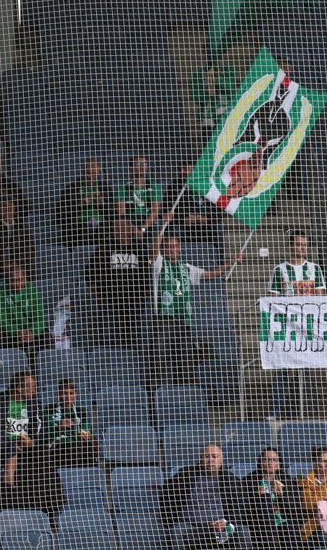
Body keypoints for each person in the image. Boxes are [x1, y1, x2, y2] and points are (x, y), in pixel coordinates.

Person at [152, 235, 242, 387]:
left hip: (184, 322)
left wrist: (231, 261)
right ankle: (155, 400)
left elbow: (211, 274)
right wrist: (162, 227)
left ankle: (183, 398)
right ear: (163, 249)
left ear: (179, 248)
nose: (171, 250)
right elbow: (154, 249)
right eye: (168, 247)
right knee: (158, 363)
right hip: (163, 321)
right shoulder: (159, 264)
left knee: (184, 364)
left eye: (174, 246)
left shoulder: (187, 268)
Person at [0, 370, 62, 515]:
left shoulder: (34, 402)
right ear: (19, 388)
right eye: (31, 387)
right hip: (3, 448)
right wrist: (9, 444)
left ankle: (50, 506)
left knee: (44, 453)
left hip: (27, 446)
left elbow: (40, 426)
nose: (34, 391)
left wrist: (32, 442)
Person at [267, 229, 326, 421]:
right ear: (290, 246)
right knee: (282, 370)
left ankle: (309, 410)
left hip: (307, 328)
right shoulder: (279, 270)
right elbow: (273, 300)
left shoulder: (315, 269)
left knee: (306, 369)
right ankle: (276, 410)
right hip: (286, 329)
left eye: (304, 244)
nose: (302, 248)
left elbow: (321, 298)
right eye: (298, 244)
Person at [160, 443, 250, 550]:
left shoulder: (231, 479)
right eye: (207, 456)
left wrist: (227, 523)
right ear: (201, 458)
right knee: (178, 531)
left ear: (221, 459)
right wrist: (173, 520)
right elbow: (166, 494)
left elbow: (241, 506)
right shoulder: (185, 475)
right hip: (193, 529)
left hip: (222, 529)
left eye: (214, 456)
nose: (210, 460)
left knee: (243, 531)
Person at [85, 217, 152, 352]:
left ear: (130, 229)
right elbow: (89, 270)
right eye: (117, 227)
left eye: (124, 226)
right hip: (110, 301)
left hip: (135, 301)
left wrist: (147, 291)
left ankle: (133, 364)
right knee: (111, 338)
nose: (120, 230)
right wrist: (95, 290)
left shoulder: (140, 247)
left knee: (134, 338)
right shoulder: (105, 247)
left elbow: (148, 271)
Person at [242, 448, 301, 550]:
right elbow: (244, 509)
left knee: (290, 529)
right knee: (265, 498)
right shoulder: (249, 481)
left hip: (283, 522)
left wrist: (281, 497)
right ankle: (272, 538)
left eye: (274, 460)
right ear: (260, 463)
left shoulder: (287, 481)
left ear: (279, 464)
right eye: (266, 459)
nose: (270, 463)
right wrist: (256, 497)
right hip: (260, 523)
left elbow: (295, 510)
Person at [0, 262, 49, 360]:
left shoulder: (33, 293)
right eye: (14, 281)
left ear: (25, 278)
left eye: (20, 280)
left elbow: (40, 318)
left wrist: (33, 331)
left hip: (29, 330)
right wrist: (16, 331)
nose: (18, 284)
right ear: (8, 280)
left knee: (46, 334)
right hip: (10, 331)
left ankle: (44, 364)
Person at [56, 156, 113, 250]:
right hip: (79, 228)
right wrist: (81, 204)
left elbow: (113, 216)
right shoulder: (71, 189)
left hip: (102, 228)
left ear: (99, 173)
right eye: (88, 174)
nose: (91, 177)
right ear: (83, 170)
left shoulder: (105, 189)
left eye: (95, 175)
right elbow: (62, 218)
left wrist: (102, 203)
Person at [0, 196, 36, 281]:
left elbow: (30, 249)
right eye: (5, 206)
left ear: (14, 209)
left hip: (17, 261)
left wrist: (16, 262)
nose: (8, 209)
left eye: (11, 206)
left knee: (30, 267)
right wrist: (2, 262)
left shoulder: (21, 225)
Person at [42, 378, 94, 468]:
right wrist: (59, 427)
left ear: (76, 394)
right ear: (58, 393)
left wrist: (84, 436)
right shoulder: (49, 410)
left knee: (88, 449)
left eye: (71, 393)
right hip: (57, 446)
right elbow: (45, 434)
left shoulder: (81, 412)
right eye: (64, 393)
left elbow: (87, 432)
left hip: (76, 447)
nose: (68, 397)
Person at [165, 163, 216, 245]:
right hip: (185, 224)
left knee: (216, 227)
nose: (182, 171)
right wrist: (183, 220)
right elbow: (166, 209)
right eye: (181, 169)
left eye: (186, 169)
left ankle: (219, 257)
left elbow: (217, 209)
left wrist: (208, 219)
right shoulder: (174, 186)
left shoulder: (207, 185)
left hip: (205, 223)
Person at [115, 155, 163, 235]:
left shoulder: (155, 187)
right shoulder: (122, 188)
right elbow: (121, 213)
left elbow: (155, 212)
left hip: (148, 220)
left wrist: (143, 228)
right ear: (131, 168)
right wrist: (134, 230)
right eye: (137, 164)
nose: (141, 167)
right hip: (130, 220)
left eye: (144, 164)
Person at [189, 64, 237, 132]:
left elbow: (230, 87)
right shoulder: (198, 74)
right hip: (208, 117)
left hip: (225, 114)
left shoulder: (228, 69)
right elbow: (195, 95)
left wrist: (216, 81)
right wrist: (208, 94)